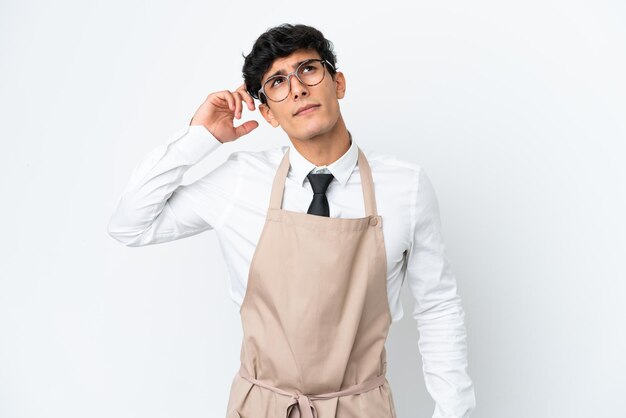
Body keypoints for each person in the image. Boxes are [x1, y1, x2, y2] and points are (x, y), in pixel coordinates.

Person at [107, 23, 475, 418]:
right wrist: (201, 138)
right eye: (278, 82)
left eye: (308, 70)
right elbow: (131, 224)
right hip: (260, 407)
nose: (297, 88)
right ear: (267, 112)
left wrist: (454, 412)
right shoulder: (240, 181)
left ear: (338, 83)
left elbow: (437, 306)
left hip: (361, 407)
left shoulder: (407, 186)